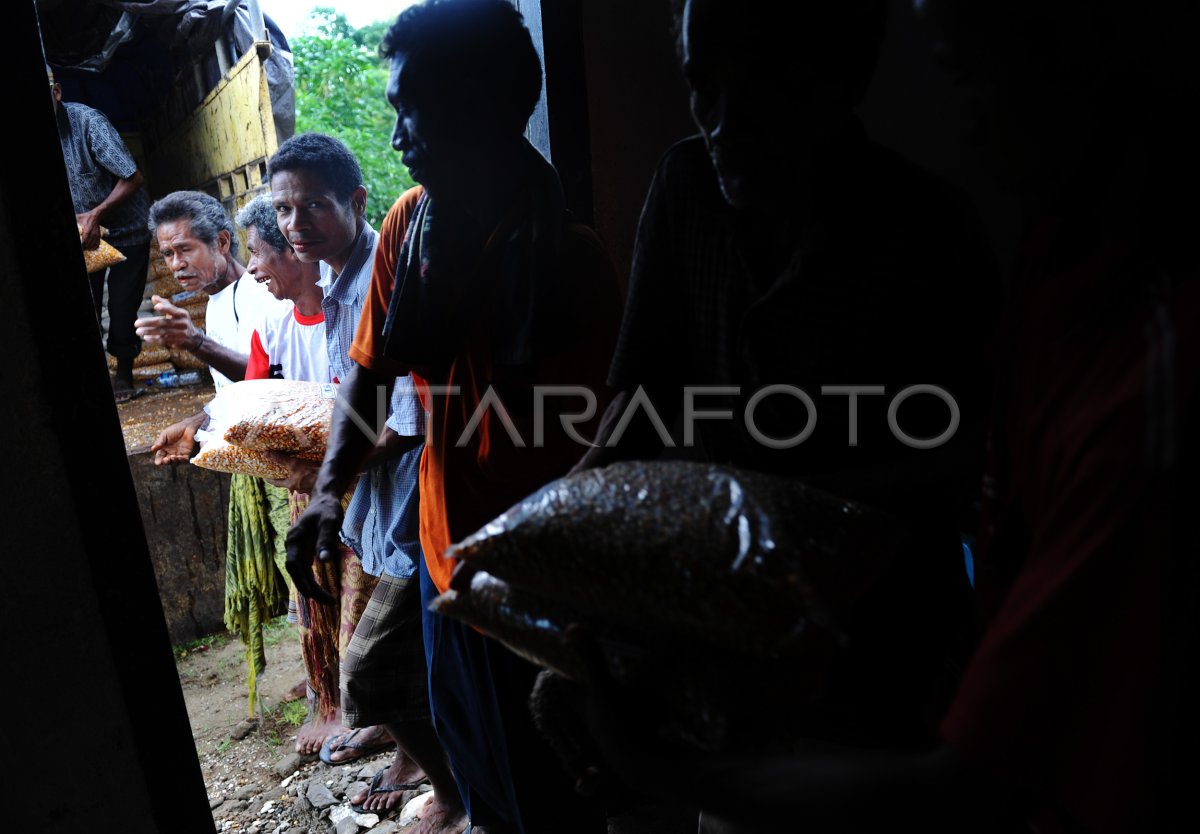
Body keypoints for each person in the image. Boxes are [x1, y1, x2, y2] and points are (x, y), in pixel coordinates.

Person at [569, 0, 1199, 831]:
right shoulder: (684, 189)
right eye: (702, 86)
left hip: (882, 657)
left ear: (843, 82)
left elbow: (977, 458)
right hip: (726, 652)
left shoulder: (932, 232)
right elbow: (638, 393)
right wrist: (560, 525)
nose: (724, 121)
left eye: (762, 86)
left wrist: (800, 511)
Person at [286, 2, 622, 831]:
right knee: (482, 766)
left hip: (532, 580)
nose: (398, 135)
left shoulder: (568, 263)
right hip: (444, 565)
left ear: (477, 105)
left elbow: (601, 439)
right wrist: (329, 492)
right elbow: (371, 374)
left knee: (552, 788)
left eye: (412, 110)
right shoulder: (410, 227)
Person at [265, 133, 459, 822]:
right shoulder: (336, 282)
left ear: (356, 200)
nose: (295, 226)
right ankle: (429, 764)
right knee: (403, 659)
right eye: (283, 212)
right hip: (375, 501)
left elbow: (407, 423)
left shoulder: (386, 268)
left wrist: (321, 472)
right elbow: (351, 398)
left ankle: (455, 790)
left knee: (372, 667)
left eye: (312, 207)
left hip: (420, 500)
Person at [139, 191, 291, 715]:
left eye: (184, 250)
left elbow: (271, 380)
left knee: (306, 571)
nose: (176, 265)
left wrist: (198, 343)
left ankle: (338, 692)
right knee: (289, 569)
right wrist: (196, 421)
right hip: (257, 457)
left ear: (222, 241)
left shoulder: (263, 291)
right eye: (167, 256)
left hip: (289, 458)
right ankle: (328, 679)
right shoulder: (214, 300)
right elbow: (236, 390)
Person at [52, 67, 151, 401]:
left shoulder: (88, 122)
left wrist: (96, 214)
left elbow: (133, 177)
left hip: (126, 231)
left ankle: (124, 374)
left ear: (57, 93)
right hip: (83, 239)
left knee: (122, 308)